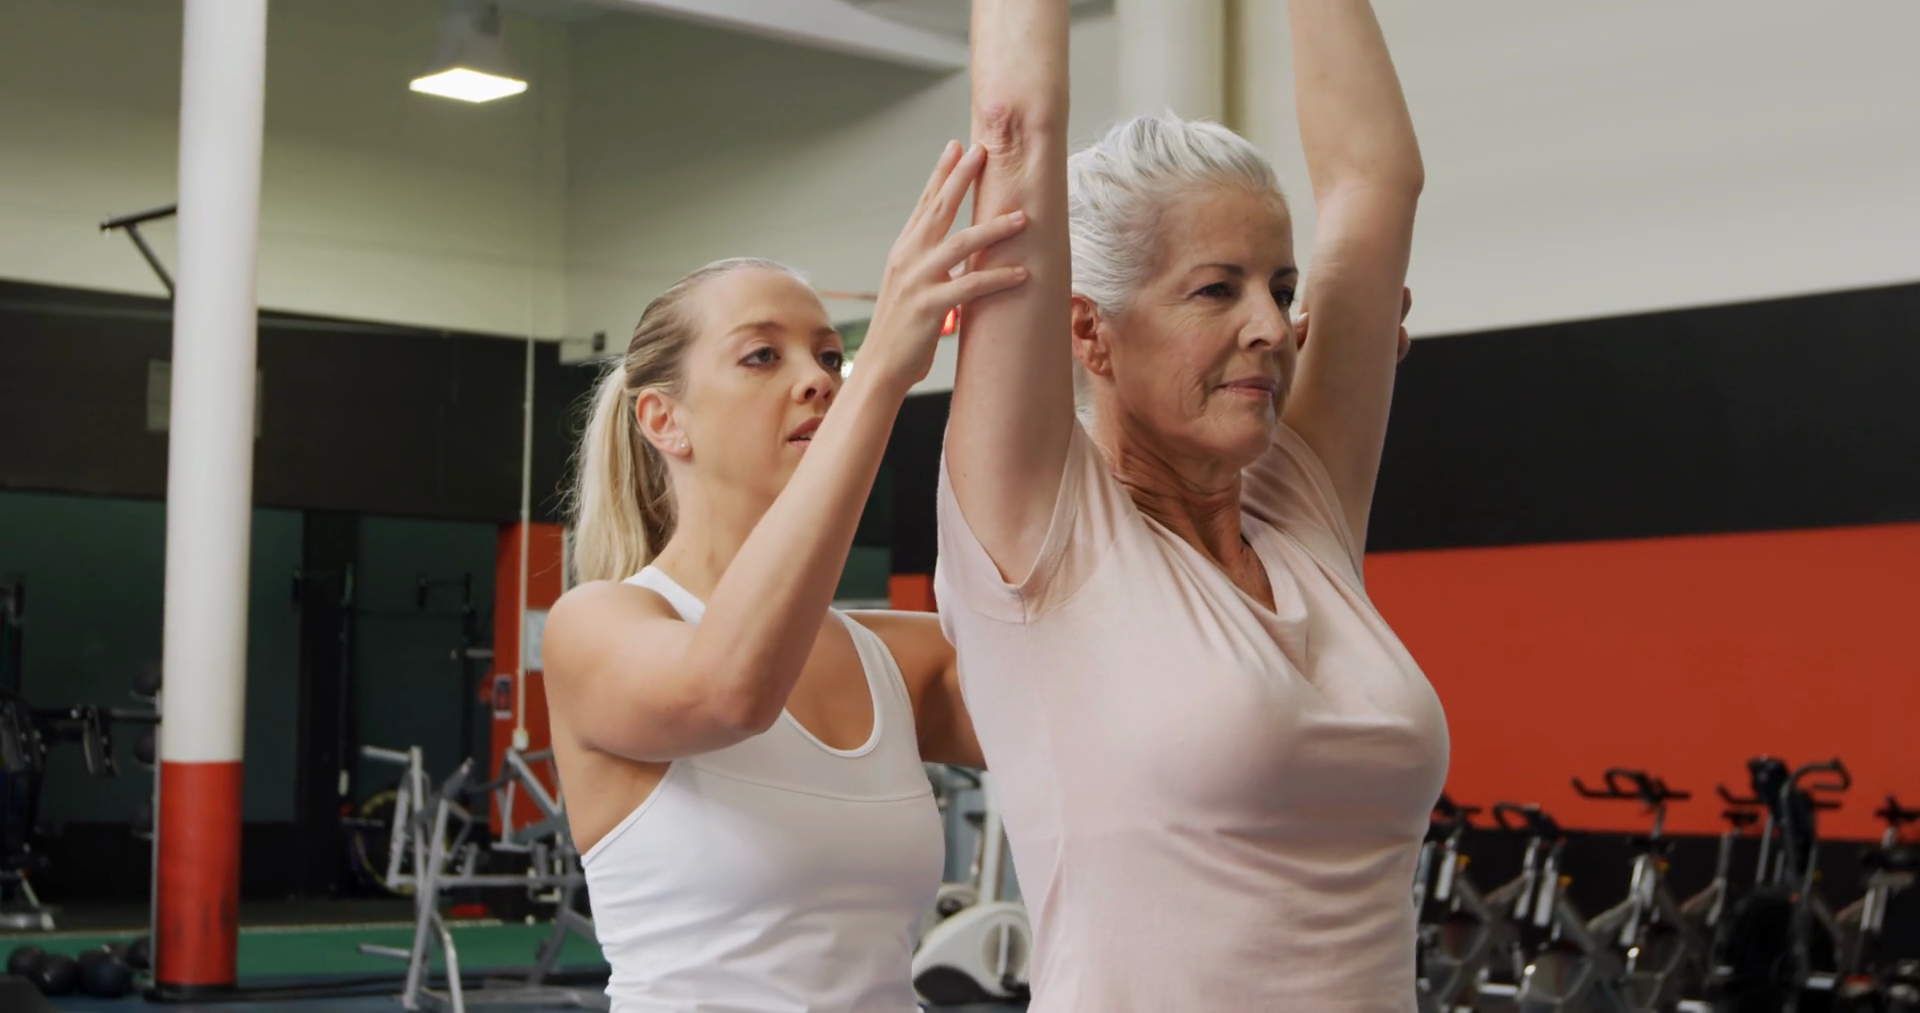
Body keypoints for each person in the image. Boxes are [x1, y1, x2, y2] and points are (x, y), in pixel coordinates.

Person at [937, 0, 1447, 1009]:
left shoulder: (1300, 506)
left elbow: (1375, 178)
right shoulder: (1046, 529)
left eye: (1282, 287)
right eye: (1217, 290)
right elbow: (1017, 123)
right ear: (1089, 332)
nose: (1274, 327)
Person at [540, 141, 1028, 1013]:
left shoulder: (893, 660)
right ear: (665, 419)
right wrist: (884, 371)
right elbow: (730, 690)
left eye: (831, 358)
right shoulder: (597, 625)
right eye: (763, 356)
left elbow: (1113, 703)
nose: (819, 381)